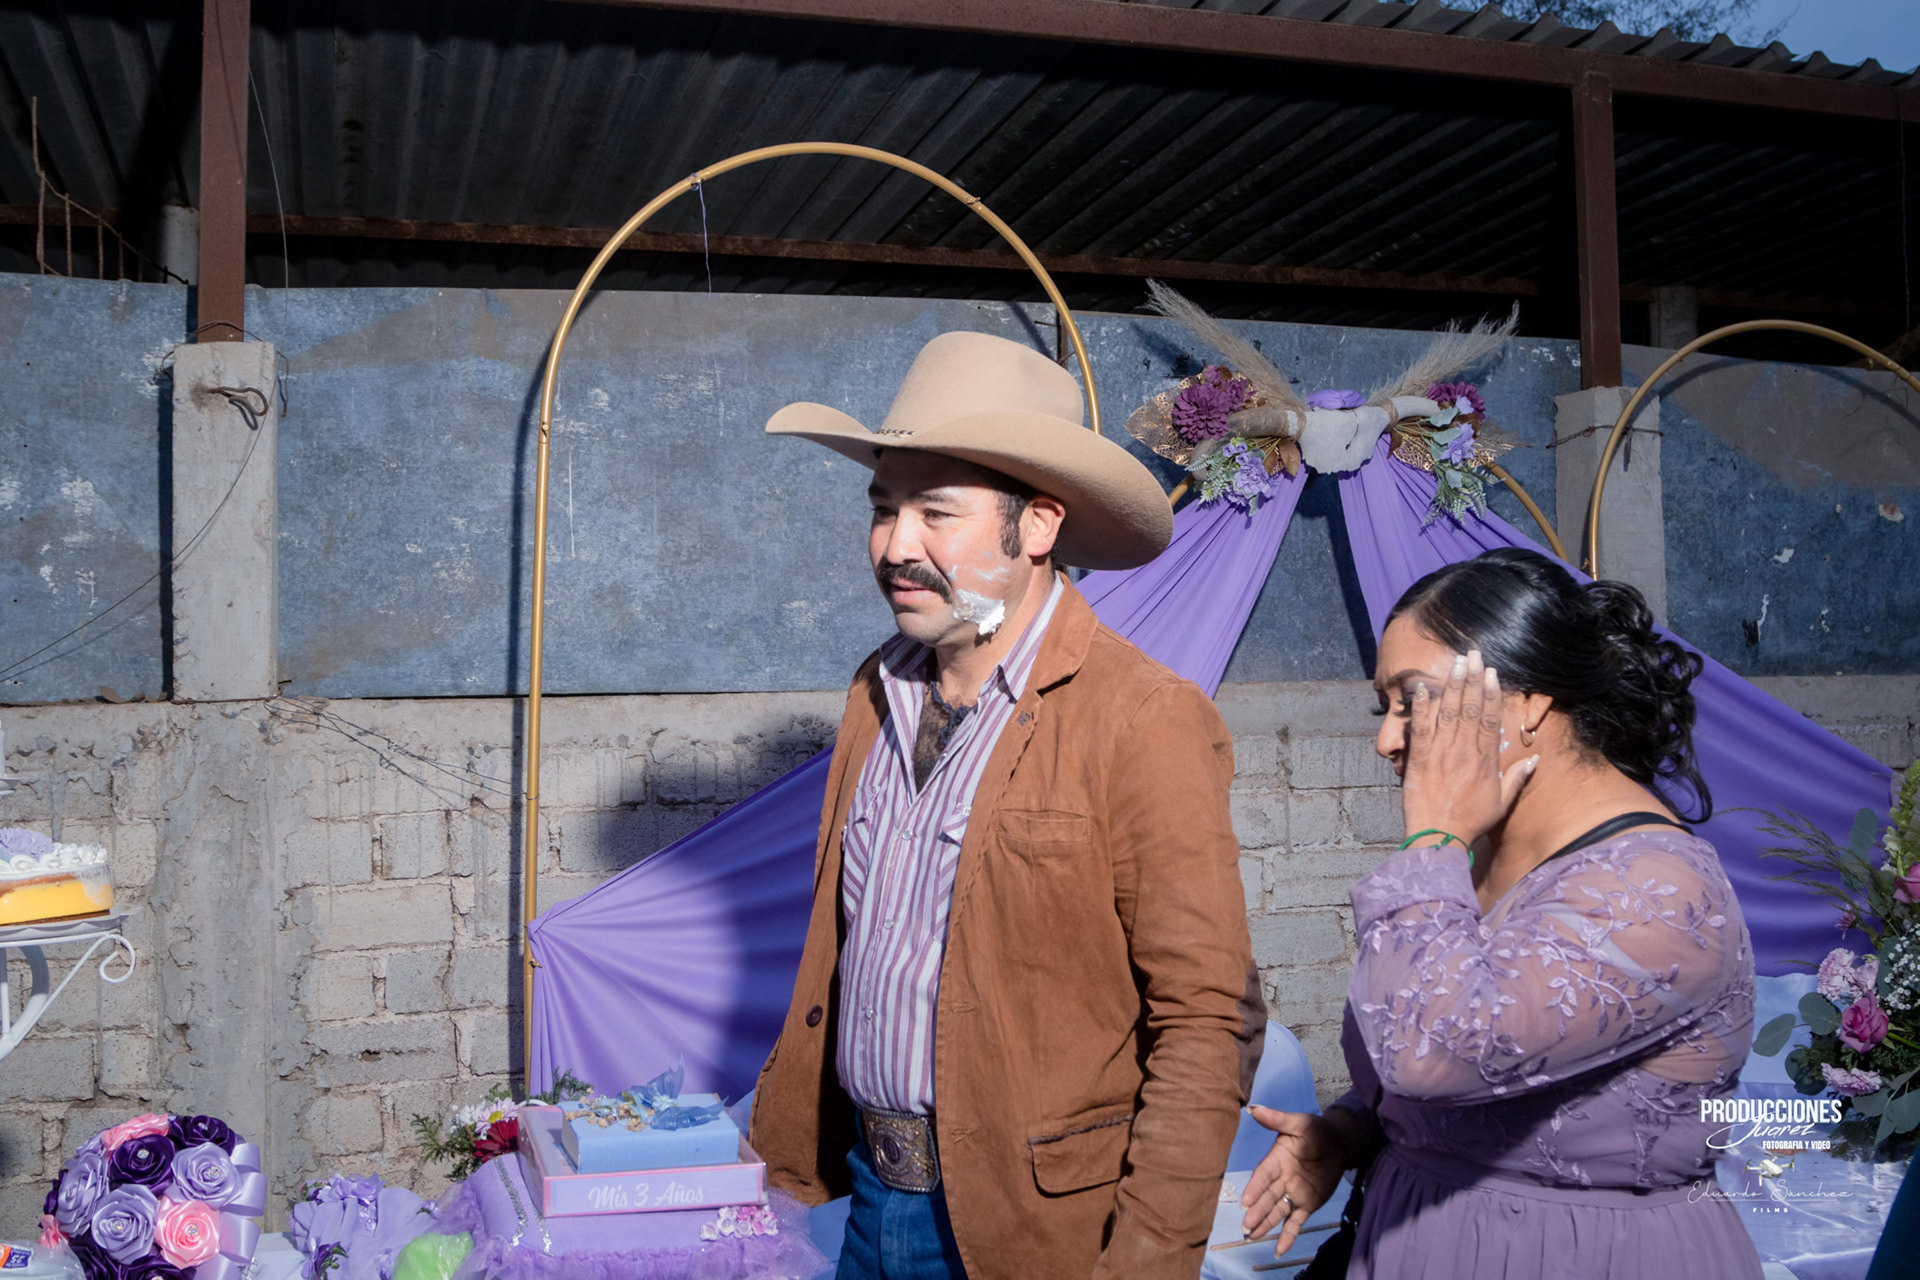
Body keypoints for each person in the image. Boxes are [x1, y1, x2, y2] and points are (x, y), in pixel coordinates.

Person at [749, 330, 1265, 1280]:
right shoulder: (875, 691)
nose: (896, 547)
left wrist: (1149, 1261)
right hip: (866, 1196)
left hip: (1034, 1233)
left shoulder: (1142, 718)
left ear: (1037, 529)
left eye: (936, 513)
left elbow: (1209, 1018)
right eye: (884, 510)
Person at [1242, 547, 1762, 1279]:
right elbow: (1453, 1074)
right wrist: (1351, 1131)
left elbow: (1436, 1051)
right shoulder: (1476, 864)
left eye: (1412, 701)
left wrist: (1433, 836)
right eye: (1385, 709)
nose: (1386, 740)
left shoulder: (1659, 891)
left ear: (1527, 704)